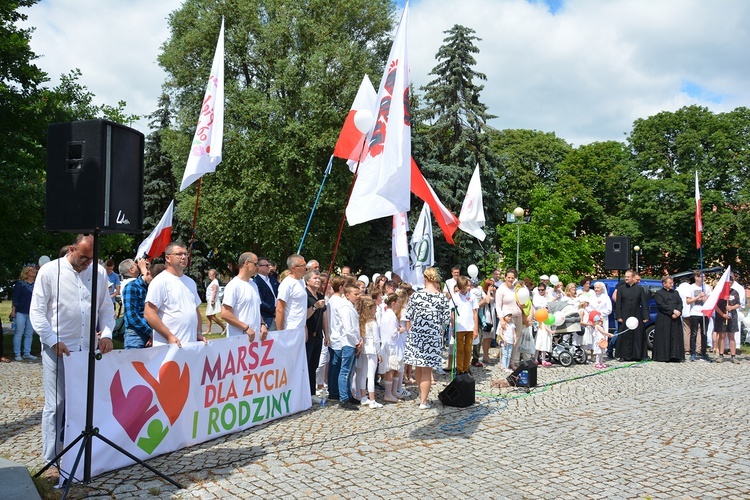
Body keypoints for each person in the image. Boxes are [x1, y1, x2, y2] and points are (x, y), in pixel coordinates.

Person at [29, 234, 115, 464]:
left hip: (85, 348)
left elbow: (106, 309)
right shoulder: (49, 271)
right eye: (84, 257)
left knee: (83, 402)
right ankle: (51, 458)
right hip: (57, 347)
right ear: (72, 249)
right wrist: (52, 339)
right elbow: (37, 312)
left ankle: (82, 452)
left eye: (92, 259)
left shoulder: (98, 272)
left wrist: (106, 334)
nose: (87, 263)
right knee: (56, 404)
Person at [403, 267, 451, 409]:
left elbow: (408, 316)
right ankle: (423, 401)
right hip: (432, 336)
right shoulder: (441, 297)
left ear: (425, 278)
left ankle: (421, 395)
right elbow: (446, 320)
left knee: (418, 367)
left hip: (417, 335)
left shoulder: (416, 296)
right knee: (427, 370)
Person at [144, 242, 205, 347]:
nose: (183, 257)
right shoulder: (160, 281)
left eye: (186, 254)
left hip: (190, 344)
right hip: (168, 346)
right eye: (179, 254)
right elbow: (149, 313)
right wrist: (169, 336)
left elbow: (195, 311)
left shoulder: (190, 282)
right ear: (168, 258)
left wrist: (199, 333)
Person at [220, 252, 268, 342]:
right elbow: (225, 314)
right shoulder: (233, 285)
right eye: (255, 264)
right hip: (238, 340)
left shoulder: (253, 285)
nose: (257, 267)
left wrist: (262, 324)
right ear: (246, 263)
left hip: (255, 339)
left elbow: (256, 308)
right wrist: (245, 328)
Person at [336, 283, 362, 410]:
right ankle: (343, 398)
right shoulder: (345, 308)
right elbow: (348, 328)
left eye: (358, 294)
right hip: (348, 342)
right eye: (355, 294)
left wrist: (359, 339)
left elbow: (355, 327)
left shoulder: (351, 306)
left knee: (350, 370)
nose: (358, 296)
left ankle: (348, 394)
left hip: (353, 341)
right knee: (345, 371)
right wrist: (357, 341)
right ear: (347, 295)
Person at [355, 296, 383, 409]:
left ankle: (363, 397)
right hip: (372, 349)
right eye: (374, 309)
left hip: (364, 349)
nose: (375, 311)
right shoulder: (373, 323)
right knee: (371, 375)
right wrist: (379, 353)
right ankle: (372, 400)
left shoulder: (362, 322)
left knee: (363, 374)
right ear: (370, 309)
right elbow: (376, 340)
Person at [614, 269, 649, 361]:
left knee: (637, 335)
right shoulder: (621, 288)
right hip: (624, 315)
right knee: (624, 335)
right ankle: (623, 355)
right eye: (625, 277)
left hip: (636, 314)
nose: (626, 278)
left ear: (633, 278)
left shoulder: (639, 289)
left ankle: (637, 355)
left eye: (628, 277)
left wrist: (646, 316)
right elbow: (618, 304)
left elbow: (644, 303)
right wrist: (618, 316)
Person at [304, 269, 327, 403]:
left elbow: (324, 317)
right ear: (307, 281)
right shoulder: (305, 295)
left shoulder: (319, 295)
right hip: (308, 334)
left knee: (314, 364)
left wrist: (326, 334)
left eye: (319, 278)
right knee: (306, 364)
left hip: (318, 334)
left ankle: (312, 392)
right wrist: (314, 307)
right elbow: (303, 315)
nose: (318, 280)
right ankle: (305, 391)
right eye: (315, 278)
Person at [122, 259, 154, 349]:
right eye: (136, 265)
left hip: (150, 333)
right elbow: (131, 315)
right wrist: (150, 333)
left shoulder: (152, 287)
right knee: (132, 362)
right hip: (135, 335)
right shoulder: (131, 286)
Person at [651, 275, 684, 362]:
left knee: (675, 336)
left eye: (672, 283)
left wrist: (678, 312)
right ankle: (664, 356)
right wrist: (672, 311)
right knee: (664, 337)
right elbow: (661, 305)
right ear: (664, 284)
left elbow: (680, 303)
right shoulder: (659, 293)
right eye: (670, 283)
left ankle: (675, 356)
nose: (672, 285)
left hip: (675, 318)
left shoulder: (675, 292)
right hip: (664, 318)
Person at [495, 269, 523, 369]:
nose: (510, 279)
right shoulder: (501, 290)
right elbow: (498, 306)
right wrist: (501, 319)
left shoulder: (516, 288)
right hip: (507, 318)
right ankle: (503, 363)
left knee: (516, 339)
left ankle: (512, 361)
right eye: (509, 277)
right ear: (505, 277)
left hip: (518, 316)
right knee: (506, 339)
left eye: (512, 278)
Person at [452, 276, 479, 375]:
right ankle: (459, 369)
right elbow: (453, 313)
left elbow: (475, 313)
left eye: (468, 286)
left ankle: (466, 368)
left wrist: (475, 328)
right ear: (459, 287)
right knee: (460, 350)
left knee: (468, 349)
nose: (466, 289)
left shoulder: (472, 296)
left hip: (470, 327)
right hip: (459, 327)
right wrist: (453, 326)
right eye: (464, 287)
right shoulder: (455, 297)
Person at [275, 254, 308, 333]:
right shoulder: (287, 284)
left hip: (301, 329)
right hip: (290, 329)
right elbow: (279, 309)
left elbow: (301, 306)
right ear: (294, 268)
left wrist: (305, 327)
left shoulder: (302, 282)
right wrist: (281, 332)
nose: (305, 268)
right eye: (302, 265)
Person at [11, 265, 37, 361]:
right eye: (30, 270)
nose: (33, 271)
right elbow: (15, 298)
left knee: (29, 333)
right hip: (21, 311)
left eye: (34, 269)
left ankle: (27, 352)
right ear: (26, 273)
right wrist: (13, 310)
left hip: (32, 312)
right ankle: (17, 353)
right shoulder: (20, 284)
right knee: (19, 332)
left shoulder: (37, 284)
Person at [713, 275, 740, 364]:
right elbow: (715, 305)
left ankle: (733, 356)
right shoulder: (719, 292)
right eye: (729, 281)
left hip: (732, 316)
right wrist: (723, 314)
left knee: (731, 336)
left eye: (731, 281)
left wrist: (731, 307)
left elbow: (738, 304)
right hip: (721, 316)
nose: (730, 283)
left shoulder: (734, 292)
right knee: (722, 336)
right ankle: (721, 355)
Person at [686, 271, 712, 362]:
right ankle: (692, 353)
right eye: (701, 276)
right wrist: (698, 297)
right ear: (696, 277)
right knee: (694, 333)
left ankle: (703, 352)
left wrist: (706, 299)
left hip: (704, 313)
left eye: (704, 276)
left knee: (704, 334)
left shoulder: (707, 287)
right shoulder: (691, 287)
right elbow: (688, 301)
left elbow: (711, 299)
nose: (703, 278)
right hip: (695, 313)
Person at [254, 256, 279, 330]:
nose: (269, 267)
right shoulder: (256, 282)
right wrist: (274, 309)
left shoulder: (272, 279)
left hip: (278, 315)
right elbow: (260, 301)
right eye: (266, 265)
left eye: (269, 265)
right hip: (267, 317)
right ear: (258, 267)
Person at [205, 269, 226, 334]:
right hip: (210, 300)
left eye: (210, 274)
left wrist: (212, 300)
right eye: (209, 274)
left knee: (212, 316)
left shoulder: (215, 282)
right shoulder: (213, 282)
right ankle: (208, 331)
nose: (209, 276)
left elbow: (214, 291)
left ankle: (224, 327)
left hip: (212, 300)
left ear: (214, 275)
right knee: (208, 315)